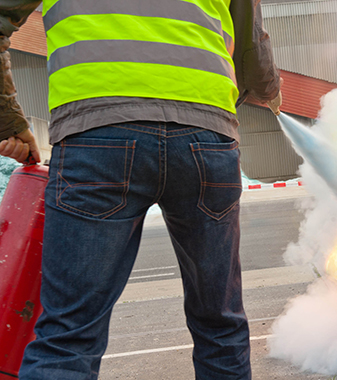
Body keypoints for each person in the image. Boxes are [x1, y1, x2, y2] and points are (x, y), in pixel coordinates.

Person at [0, 1, 282, 379]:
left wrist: (7, 120)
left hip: (99, 134)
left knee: (69, 335)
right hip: (205, 139)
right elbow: (252, 48)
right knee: (220, 322)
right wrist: (269, 90)